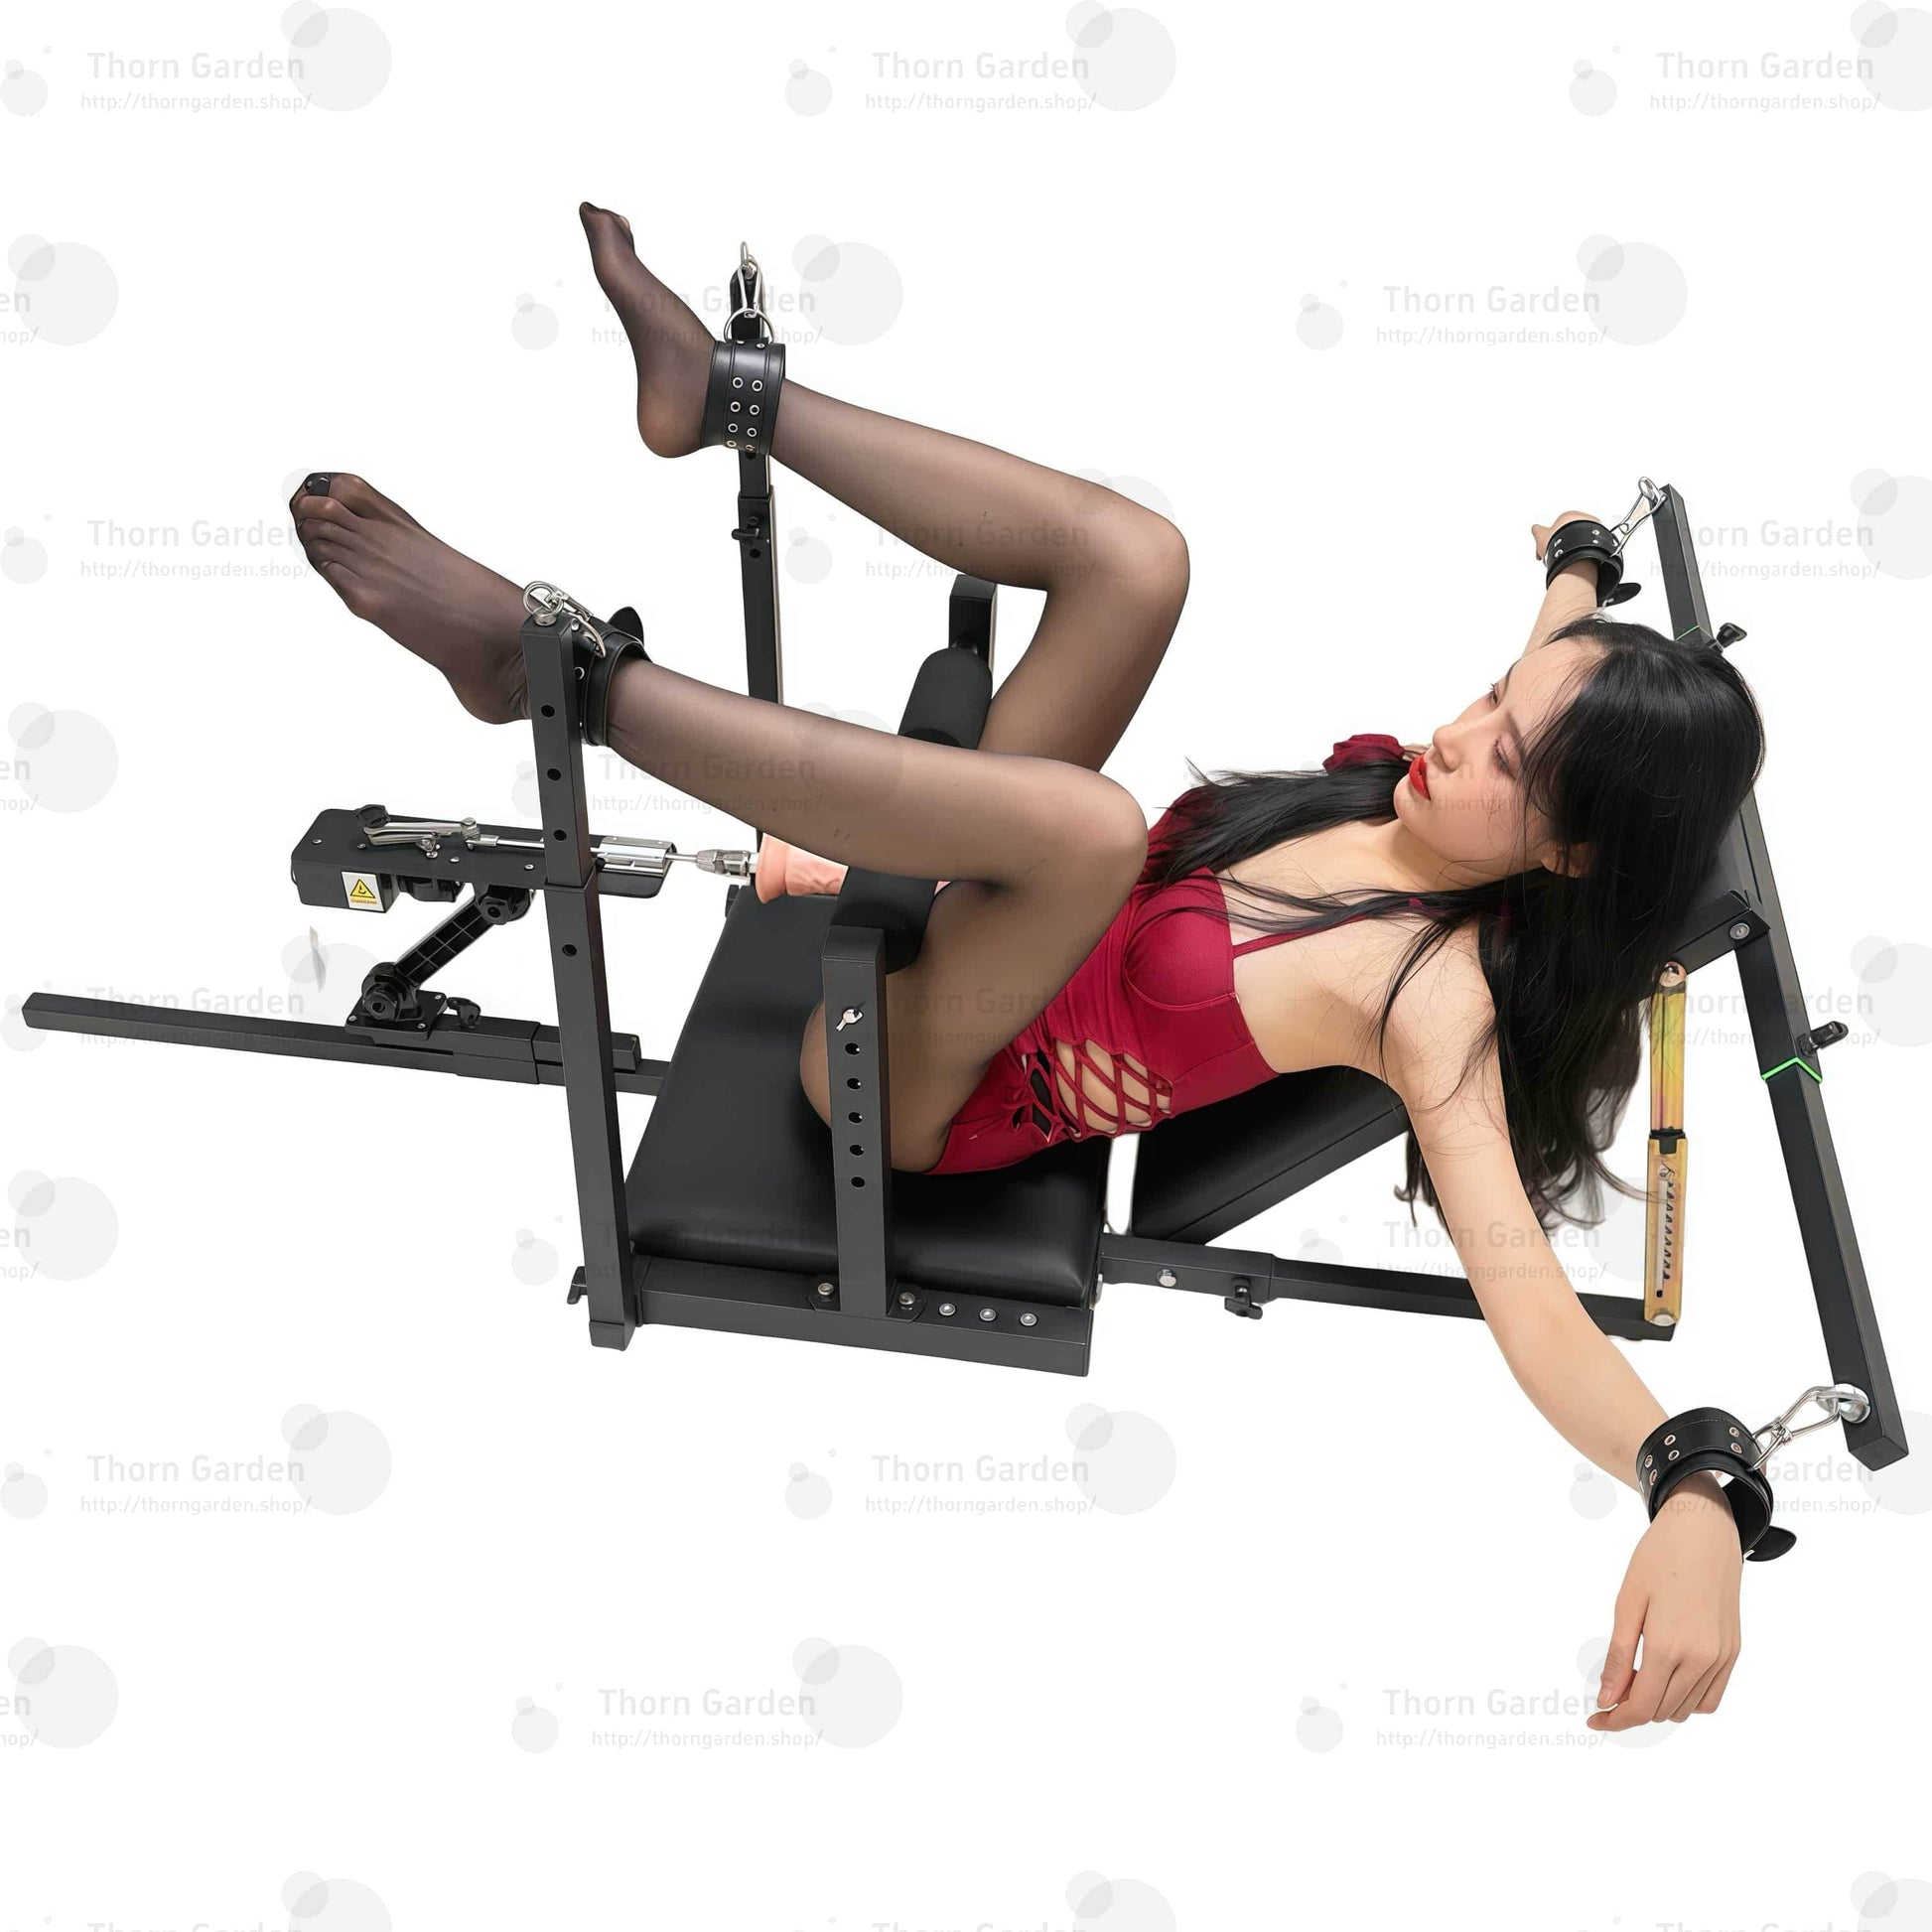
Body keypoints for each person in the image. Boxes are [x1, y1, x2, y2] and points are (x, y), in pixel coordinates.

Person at [287, 204, 1767, 1731]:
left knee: (1092, 826)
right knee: (1141, 556)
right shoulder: (1461, 780)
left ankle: (556, 673)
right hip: (995, 908)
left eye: (1505, 754)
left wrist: (1693, 1483)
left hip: (915, 1081)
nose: (1456, 733)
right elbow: (1551, 652)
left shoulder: (1427, 999)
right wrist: (1579, 564)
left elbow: (1528, 1296)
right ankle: (726, 393)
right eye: (1487, 695)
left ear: (1571, 853)